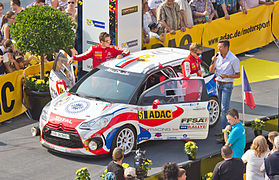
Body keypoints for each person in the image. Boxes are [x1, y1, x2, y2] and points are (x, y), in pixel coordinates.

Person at [209, 39, 240, 132]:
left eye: (220, 47)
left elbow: (238, 75)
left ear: (226, 47)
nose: (218, 49)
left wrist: (227, 76)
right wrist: (213, 61)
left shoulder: (233, 59)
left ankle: (224, 131)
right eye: (218, 47)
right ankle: (224, 129)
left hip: (227, 84)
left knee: (224, 108)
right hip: (218, 84)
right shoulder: (217, 56)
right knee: (220, 107)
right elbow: (211, 70)